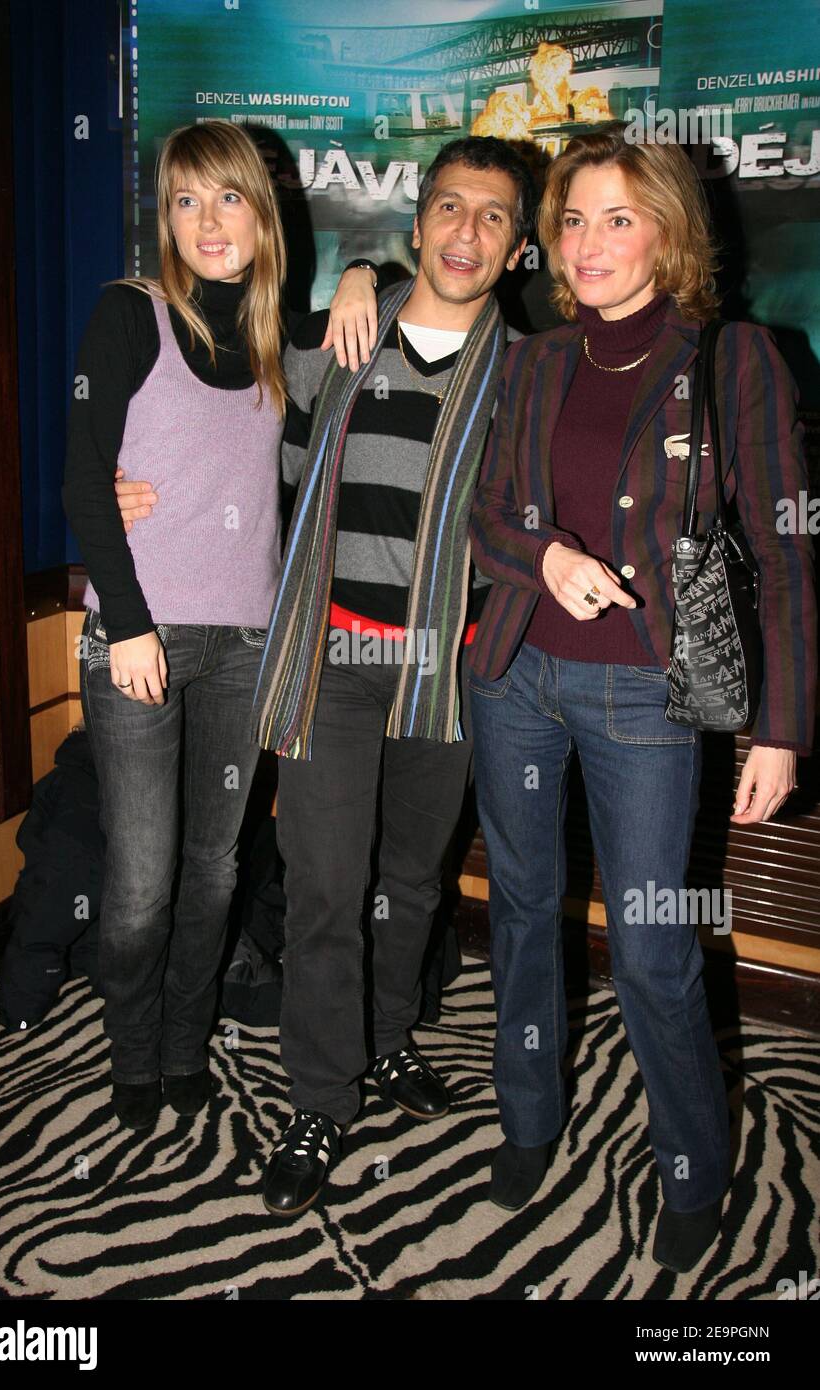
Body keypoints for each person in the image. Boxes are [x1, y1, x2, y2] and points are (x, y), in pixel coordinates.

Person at [467, 123, 817, 1271]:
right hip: (515, 676)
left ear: (668, 233)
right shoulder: (528, 359)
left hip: (647, 699)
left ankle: (691, 1163)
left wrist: (780, 725)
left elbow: (784, 549)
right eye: (571, 219)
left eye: (618, 216)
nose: (587, 241)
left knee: (656, 948)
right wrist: (544, 560)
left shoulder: (733, 360)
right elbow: (483, 515)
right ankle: (528, 1118)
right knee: (519, 912)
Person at [62, 120, 376, 1130]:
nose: (207, 220)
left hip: (246, 646)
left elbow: (417, 309)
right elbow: (81, 481)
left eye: (228, 197)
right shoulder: (128, 316)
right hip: (139, 639)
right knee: (143, 882)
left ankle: (186, 1038)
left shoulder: (279, 343)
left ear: (261, 214)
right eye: (186, 200)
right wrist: (134, 623)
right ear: (166, 215)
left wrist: (369, 268)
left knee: (216, 870)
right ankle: (133, 1048)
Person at [249, 135, 532, 1217]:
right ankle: (321, 1095)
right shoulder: (340, 340)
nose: (466, 231)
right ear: (414, 225)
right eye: (449, 208)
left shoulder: (524, 372)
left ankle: (385, 1041)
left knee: (410, 883)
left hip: (441, 668)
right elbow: (270, 476)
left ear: (515, 249)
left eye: (493, 216)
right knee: (325, 887)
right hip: (333, 659)